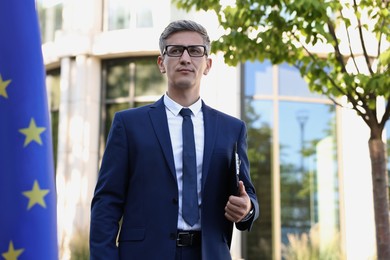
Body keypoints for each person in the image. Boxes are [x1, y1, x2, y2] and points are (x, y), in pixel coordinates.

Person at [90, 19, 259, 260]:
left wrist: (247, 209)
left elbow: (247, 194)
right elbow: (106, 202)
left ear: (208, 64)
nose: (185, 58)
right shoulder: (128, 125)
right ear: (162, 62)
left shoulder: (232, 129)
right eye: (176, 50)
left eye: (195, 51)